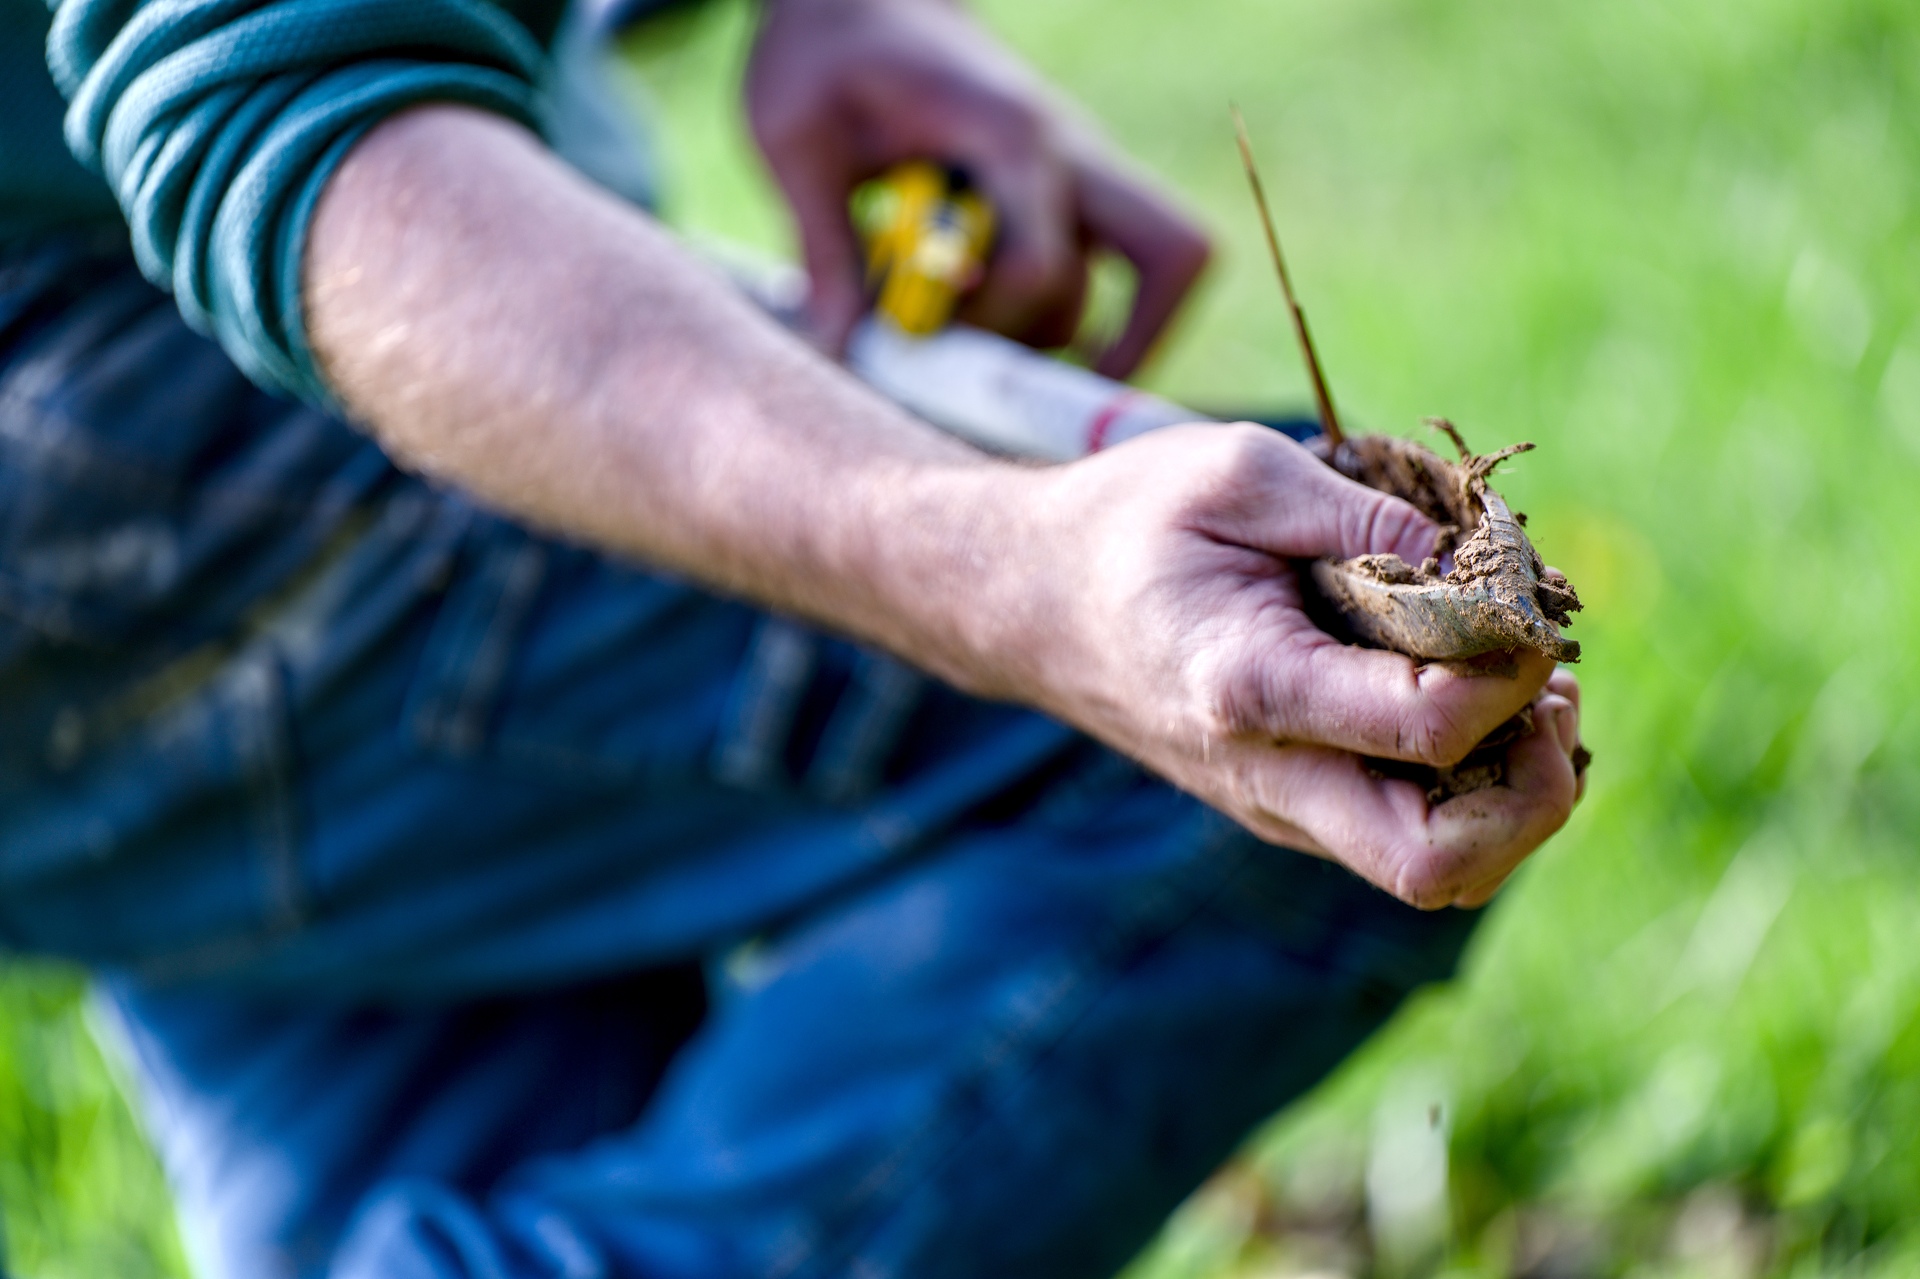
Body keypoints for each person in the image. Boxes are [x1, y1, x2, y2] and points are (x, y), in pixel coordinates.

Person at [0, 0, 1585, 1275]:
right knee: (1324, 700)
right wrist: (986, 568)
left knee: (503, 1156)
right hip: (108, 410)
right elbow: (272, 96)